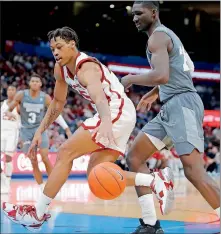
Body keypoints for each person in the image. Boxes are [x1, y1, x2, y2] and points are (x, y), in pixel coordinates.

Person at [2, 26, 174, 232]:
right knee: (96, 174)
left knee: (65, 151)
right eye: (52, 49)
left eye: (59, 47)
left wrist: (107, 122)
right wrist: (39, 131)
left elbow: (100, 98)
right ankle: (155, 180)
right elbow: (57, 103)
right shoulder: (61, 69)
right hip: (116, 114)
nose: (55, 52)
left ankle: (37, 214)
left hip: (113, 111)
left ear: (72, 45)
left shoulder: (87, 67)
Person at [120, 1, 220, 233]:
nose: (134, 17)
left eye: (139, 13)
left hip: (183, 104)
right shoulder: (167, 37)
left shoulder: (157, 37)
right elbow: (183, 70)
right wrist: (155, 92)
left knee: (194, 171)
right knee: (134, 157)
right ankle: (151, 224)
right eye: (132, 13)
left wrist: (131, 79)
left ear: (153, 12)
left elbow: (163, 75)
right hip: (171, 105)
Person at [4, 74, 72, 189]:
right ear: (29, 83)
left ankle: (53, 185)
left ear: (40, 84)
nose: (35, 83)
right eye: (33, 81)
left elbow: (55, 114)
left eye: (37, 81)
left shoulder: (45, 97)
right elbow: (9, 109)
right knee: (33, 160)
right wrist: (9, 113)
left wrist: (66, 129)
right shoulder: (21, 95)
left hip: (40, 131)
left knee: (45, 157)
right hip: (25, 132)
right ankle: (41, 187)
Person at [1, 85, 20, 194]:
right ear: (6, 91)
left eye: (13, 89)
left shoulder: (18, 105)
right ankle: (3, 178)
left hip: (12, 134)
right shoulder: (2, 104)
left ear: (16, 92)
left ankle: (7, 182)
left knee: (8, 158)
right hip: (1, 132)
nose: (11, 91)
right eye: (9, 89)